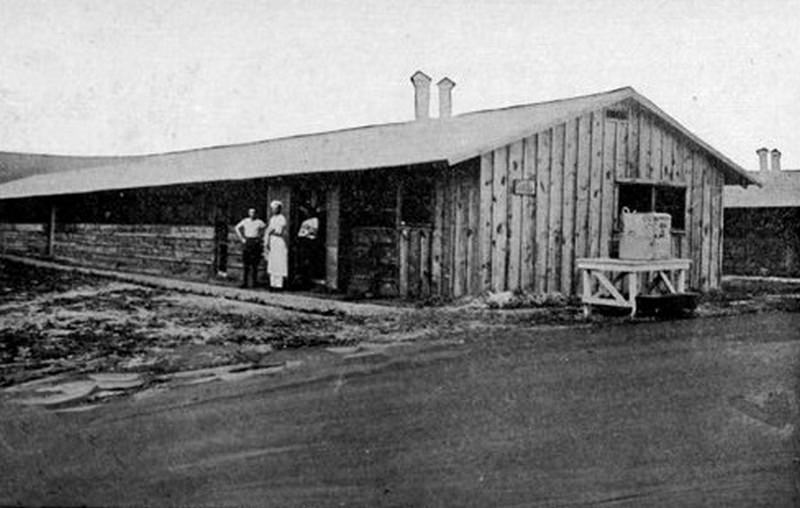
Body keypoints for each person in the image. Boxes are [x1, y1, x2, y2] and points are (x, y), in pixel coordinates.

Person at [235, 208, 266, 288]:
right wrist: (241, 238)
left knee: (255, 263)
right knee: (246, 263)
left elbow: (266, 229)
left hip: (255, 241)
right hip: (247, 241)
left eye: (254, 213)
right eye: (251, 213)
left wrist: (260, 237)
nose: (252, 214)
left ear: (256, 214)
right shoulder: (245, 221)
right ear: (248, 213)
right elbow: (237, 228)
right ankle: (245, 283)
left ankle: (254, 283)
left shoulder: (259, 222)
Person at [264, 200, 288, 290]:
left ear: (279, 209)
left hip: (279, 241)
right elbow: (269, 230)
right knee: (272, 262)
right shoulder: (272, 219)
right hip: (272, 241)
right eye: (273, 208)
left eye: (276, 208)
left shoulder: (282, 218)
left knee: (279, 262)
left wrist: (270, 231)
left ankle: (279, 285)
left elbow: (278, 231)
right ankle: (272, 283)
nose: (274, 210)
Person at [296, 206, 320, 289]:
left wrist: (307, 232)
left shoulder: (315, 220)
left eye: (308, 212)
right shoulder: (305, 221)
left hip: (310, 241)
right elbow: (300, 232)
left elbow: (314, 230)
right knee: (303, 262)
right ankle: (303, 281)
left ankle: (309, 282)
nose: (306, 214)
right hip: (304, 241)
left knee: (309, 261)